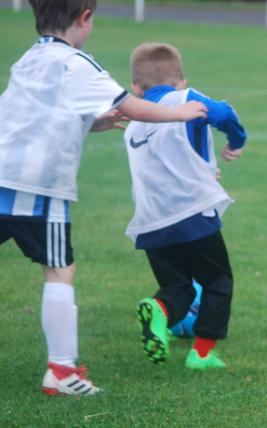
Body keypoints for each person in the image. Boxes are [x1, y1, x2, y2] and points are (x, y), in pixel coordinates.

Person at [0, 0, 208, 396]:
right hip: (40, 186)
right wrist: (180, 114)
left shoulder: (29, 58)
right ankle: (61, 372)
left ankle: (61, 371)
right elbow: (134, 106)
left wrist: (97, 122)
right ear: (85, 19)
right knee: (60, 270)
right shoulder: (80, 64)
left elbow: (37, 116)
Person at [124, 43, 246, 370]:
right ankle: (202, 353)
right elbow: (224, 114)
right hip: (193, 214)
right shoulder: (185, 99)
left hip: (151, 220)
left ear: (136, 87)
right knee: (217, 280)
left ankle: (158, 309)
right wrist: (237, 142)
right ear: (180, 81)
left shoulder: (134, 120)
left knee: (177, 287)